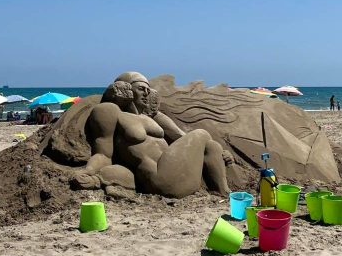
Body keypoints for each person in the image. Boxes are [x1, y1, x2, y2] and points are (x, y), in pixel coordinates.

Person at [72, 72, 231, 198]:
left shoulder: (154, 117)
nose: (146, 93)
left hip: (178, 174)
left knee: (212, 146)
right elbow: (103, 153)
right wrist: (89, 171)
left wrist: (221, 155)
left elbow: (183, 138)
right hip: (159, 179)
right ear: (125, 89)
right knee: (201, 134)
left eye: (148, 90)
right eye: (141, 88)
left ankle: (224, 193)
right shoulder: (110, 111)